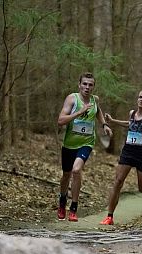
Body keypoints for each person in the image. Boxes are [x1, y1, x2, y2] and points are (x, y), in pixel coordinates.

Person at [100, 88, 142, 225]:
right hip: (128, 152)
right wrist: (113, 120)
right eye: (140, 97)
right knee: (118, 182)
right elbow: (129, 124)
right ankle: (109, 217)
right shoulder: (132, 113)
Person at [57, 72, 113, 222]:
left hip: (86, 143)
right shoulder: (72, 99)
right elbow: (61, 120)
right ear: (79, 85)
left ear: (94, 86)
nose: (87, 87)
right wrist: (79, 112)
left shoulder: (95, 100)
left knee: (76, 170)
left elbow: (98, 111)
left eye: (90, 85)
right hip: (69, 144)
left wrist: (104, 125)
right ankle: (62, 202)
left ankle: (74, 209)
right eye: (85, 84)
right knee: (66, 175)